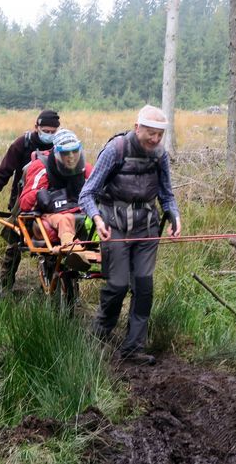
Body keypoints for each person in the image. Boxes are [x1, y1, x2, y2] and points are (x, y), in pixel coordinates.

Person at [79, 104, 181, 365]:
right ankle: (97, 338)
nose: (156, 139)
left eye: (160, 134)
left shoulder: (160, 155)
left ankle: (133, 348)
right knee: (118, 285)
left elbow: (166, 194)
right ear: (138, 128)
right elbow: (87, 193)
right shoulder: (116, 150)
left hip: (147, 228)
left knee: (144, 287)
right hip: (115, 227)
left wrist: (174, 216)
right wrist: (98, 219)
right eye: (151, 133)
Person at [0, 110, 60, 289]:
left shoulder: (61, 146)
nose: (50, 135)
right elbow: (2, 173)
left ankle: (54, 287)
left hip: (53, 202)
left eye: (54, 132)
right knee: (15, 244)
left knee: (55, 247)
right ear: (36, 127)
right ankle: (5, 288)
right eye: (46, 130)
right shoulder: (22, 144)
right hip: (22, 202)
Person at [19, 129, 93, 268]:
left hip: (80, 211)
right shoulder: (42, 167)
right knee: (65, 219)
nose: (71, 157)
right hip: (52, 214)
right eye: (66, 153)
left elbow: (100, 185)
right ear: (57, 154)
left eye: (74, 152)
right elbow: (24, 202)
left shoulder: (85, 168)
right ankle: (73, 250)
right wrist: (38, 195)